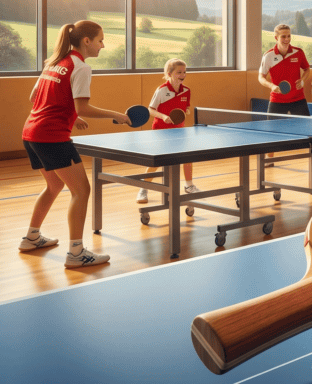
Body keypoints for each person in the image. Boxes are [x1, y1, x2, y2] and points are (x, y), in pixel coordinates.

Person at [20, 20, 129, 268]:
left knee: (54, 185)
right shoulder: (81, 67)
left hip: (31, 132)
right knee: (82, 191)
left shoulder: (55, 62)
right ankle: (76, 253)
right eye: (100, 40)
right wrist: (116, 115)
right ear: (87, 41)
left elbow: (34, 97)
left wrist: (71, 114)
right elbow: (84, 106)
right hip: (51, 136)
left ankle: (31, 237)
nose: (103, 45)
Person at [258, 24, 312, 175]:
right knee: (271, 132)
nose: (286, 39)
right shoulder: (268, 56)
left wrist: (303, 80)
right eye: (283, 36)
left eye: (289, 36)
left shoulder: (298, 52)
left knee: (310, 132)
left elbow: (307, 69)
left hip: (298, 99)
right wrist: (271, 85)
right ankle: (270, 159)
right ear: (276, 37)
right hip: (277, 99)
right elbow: (261, 77)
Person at [138, 58, 199, 203]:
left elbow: (187, 107)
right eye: (179, 72)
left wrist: (187, 111)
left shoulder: (186, 90)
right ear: (169, 73)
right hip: (161, 130)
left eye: (184, 72)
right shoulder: (161, 90)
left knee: (187, 157)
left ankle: (189, 186)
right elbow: (150, 110)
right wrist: (164, 116)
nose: (183, 74)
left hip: (178, 130)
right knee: (157, 161)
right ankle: (143, 189)